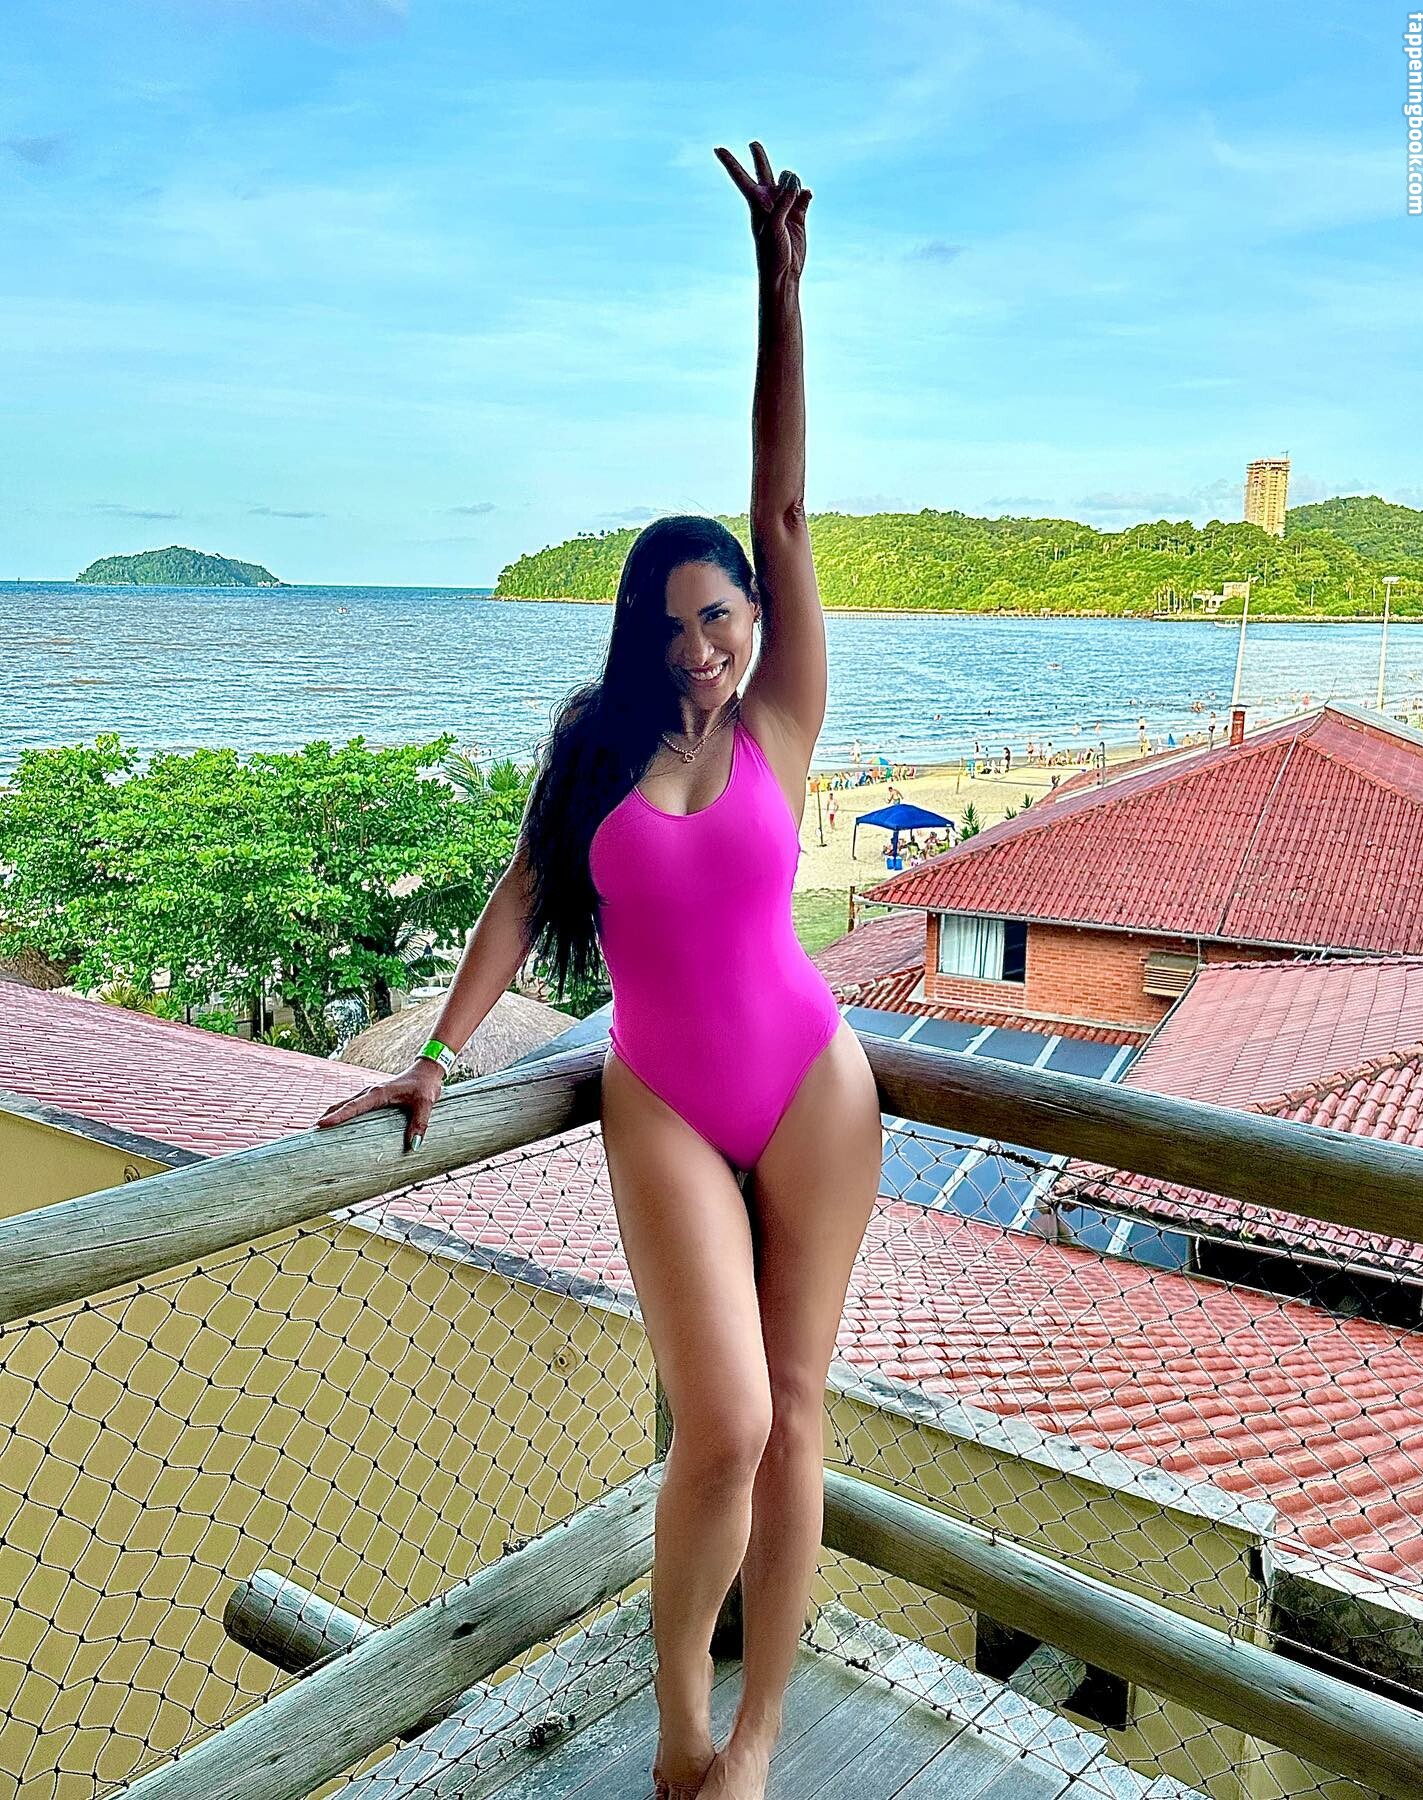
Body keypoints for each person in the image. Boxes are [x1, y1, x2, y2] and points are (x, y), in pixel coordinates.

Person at [315, 140, 881, 1800]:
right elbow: (516, 899)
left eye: (725, 617)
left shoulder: (782, 720)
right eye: (677, 622)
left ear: (754, 620)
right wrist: (438, 1055)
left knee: (797, 1411)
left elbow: (783, 504)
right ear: (640, 630)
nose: (704, 646)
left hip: (813, 1085)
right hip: (663, 1098)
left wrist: (779, 293)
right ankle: (681, 1734)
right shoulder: (594, 752)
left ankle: (756, 1740)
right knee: (724, 1425)